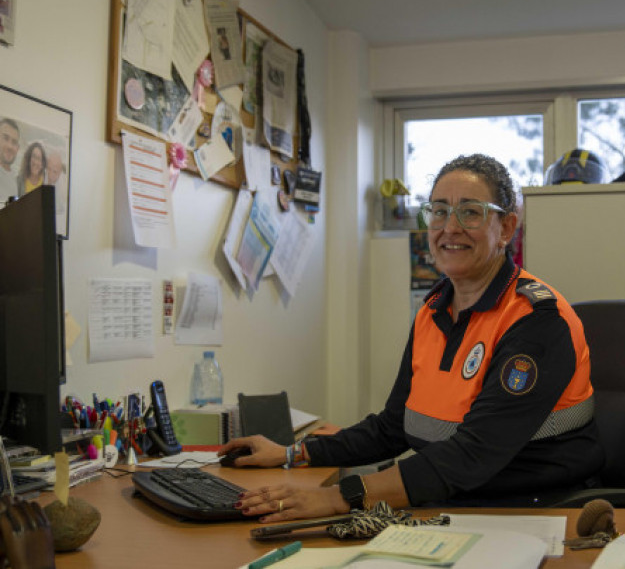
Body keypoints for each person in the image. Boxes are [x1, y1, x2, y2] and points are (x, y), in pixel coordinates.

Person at [220, 153, 604, 521]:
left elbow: (473, 455)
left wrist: (338, 497)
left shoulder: (536, 320)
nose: (449, 228)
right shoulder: (433, 310)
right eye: (438, 211)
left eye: (470, 212)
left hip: (531, 511)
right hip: (454, 501)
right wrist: (291, 453)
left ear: (505, 228)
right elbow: (393, 426)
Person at [0, 118, 20, 203]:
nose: (10, 146)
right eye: (5, 138)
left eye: (14, 142)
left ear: (18, 148)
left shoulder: (17, 179)